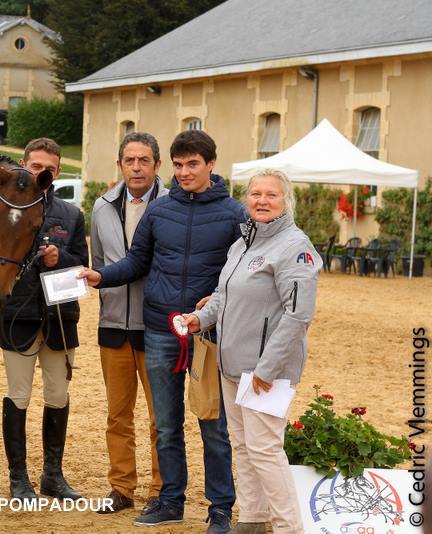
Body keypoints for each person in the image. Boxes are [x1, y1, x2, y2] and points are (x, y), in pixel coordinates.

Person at [79, 130, 246, 533]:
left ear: (211, 165)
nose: (184, 172)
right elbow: (137, 261)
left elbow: (242, 272)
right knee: (167, 423)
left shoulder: (234, 214)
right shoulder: (160, 211)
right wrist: (101, 275)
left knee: (213, 425)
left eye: (193, 164)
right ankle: (170, 500)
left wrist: (217, 300)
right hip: (158, 330)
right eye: (179, 164)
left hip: (207, 336)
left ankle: (220, 507)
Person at [183, 169, 321, 534]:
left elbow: (298, 315)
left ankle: (290, 528)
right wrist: (199, 318)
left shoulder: (295, 247)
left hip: (265, 372)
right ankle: (252, 520)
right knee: (242, 447)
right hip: (232, 366)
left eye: (271, 195)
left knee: (264, 450)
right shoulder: (243, 243)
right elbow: (224, 296)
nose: (262, 201)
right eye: (256, 194)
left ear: (285, 201)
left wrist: (267, 367)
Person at [0, 138, 89, 501]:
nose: (40, 173)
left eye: (49, 169)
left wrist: (59, 259)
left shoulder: (72, 215)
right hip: (18, 316)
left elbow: (82, 267)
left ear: (56, 174)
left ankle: (53, 476)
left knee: (58, 395)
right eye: (34, 166)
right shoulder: (4, 207)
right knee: (19, 395)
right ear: (23, 164)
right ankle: (18, 479)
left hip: (60, 317)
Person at [91, 132, 168, 515]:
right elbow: (100, 261)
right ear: (119, 165)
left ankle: (160, 490)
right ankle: (121, 488)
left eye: (144, 160)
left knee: (161, 417)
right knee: (117, 415)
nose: (136, 167)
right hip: (112, 325)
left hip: (156, 327)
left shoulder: (172, 206)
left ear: (157, 165)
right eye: (130, 160)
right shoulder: (101, 207)